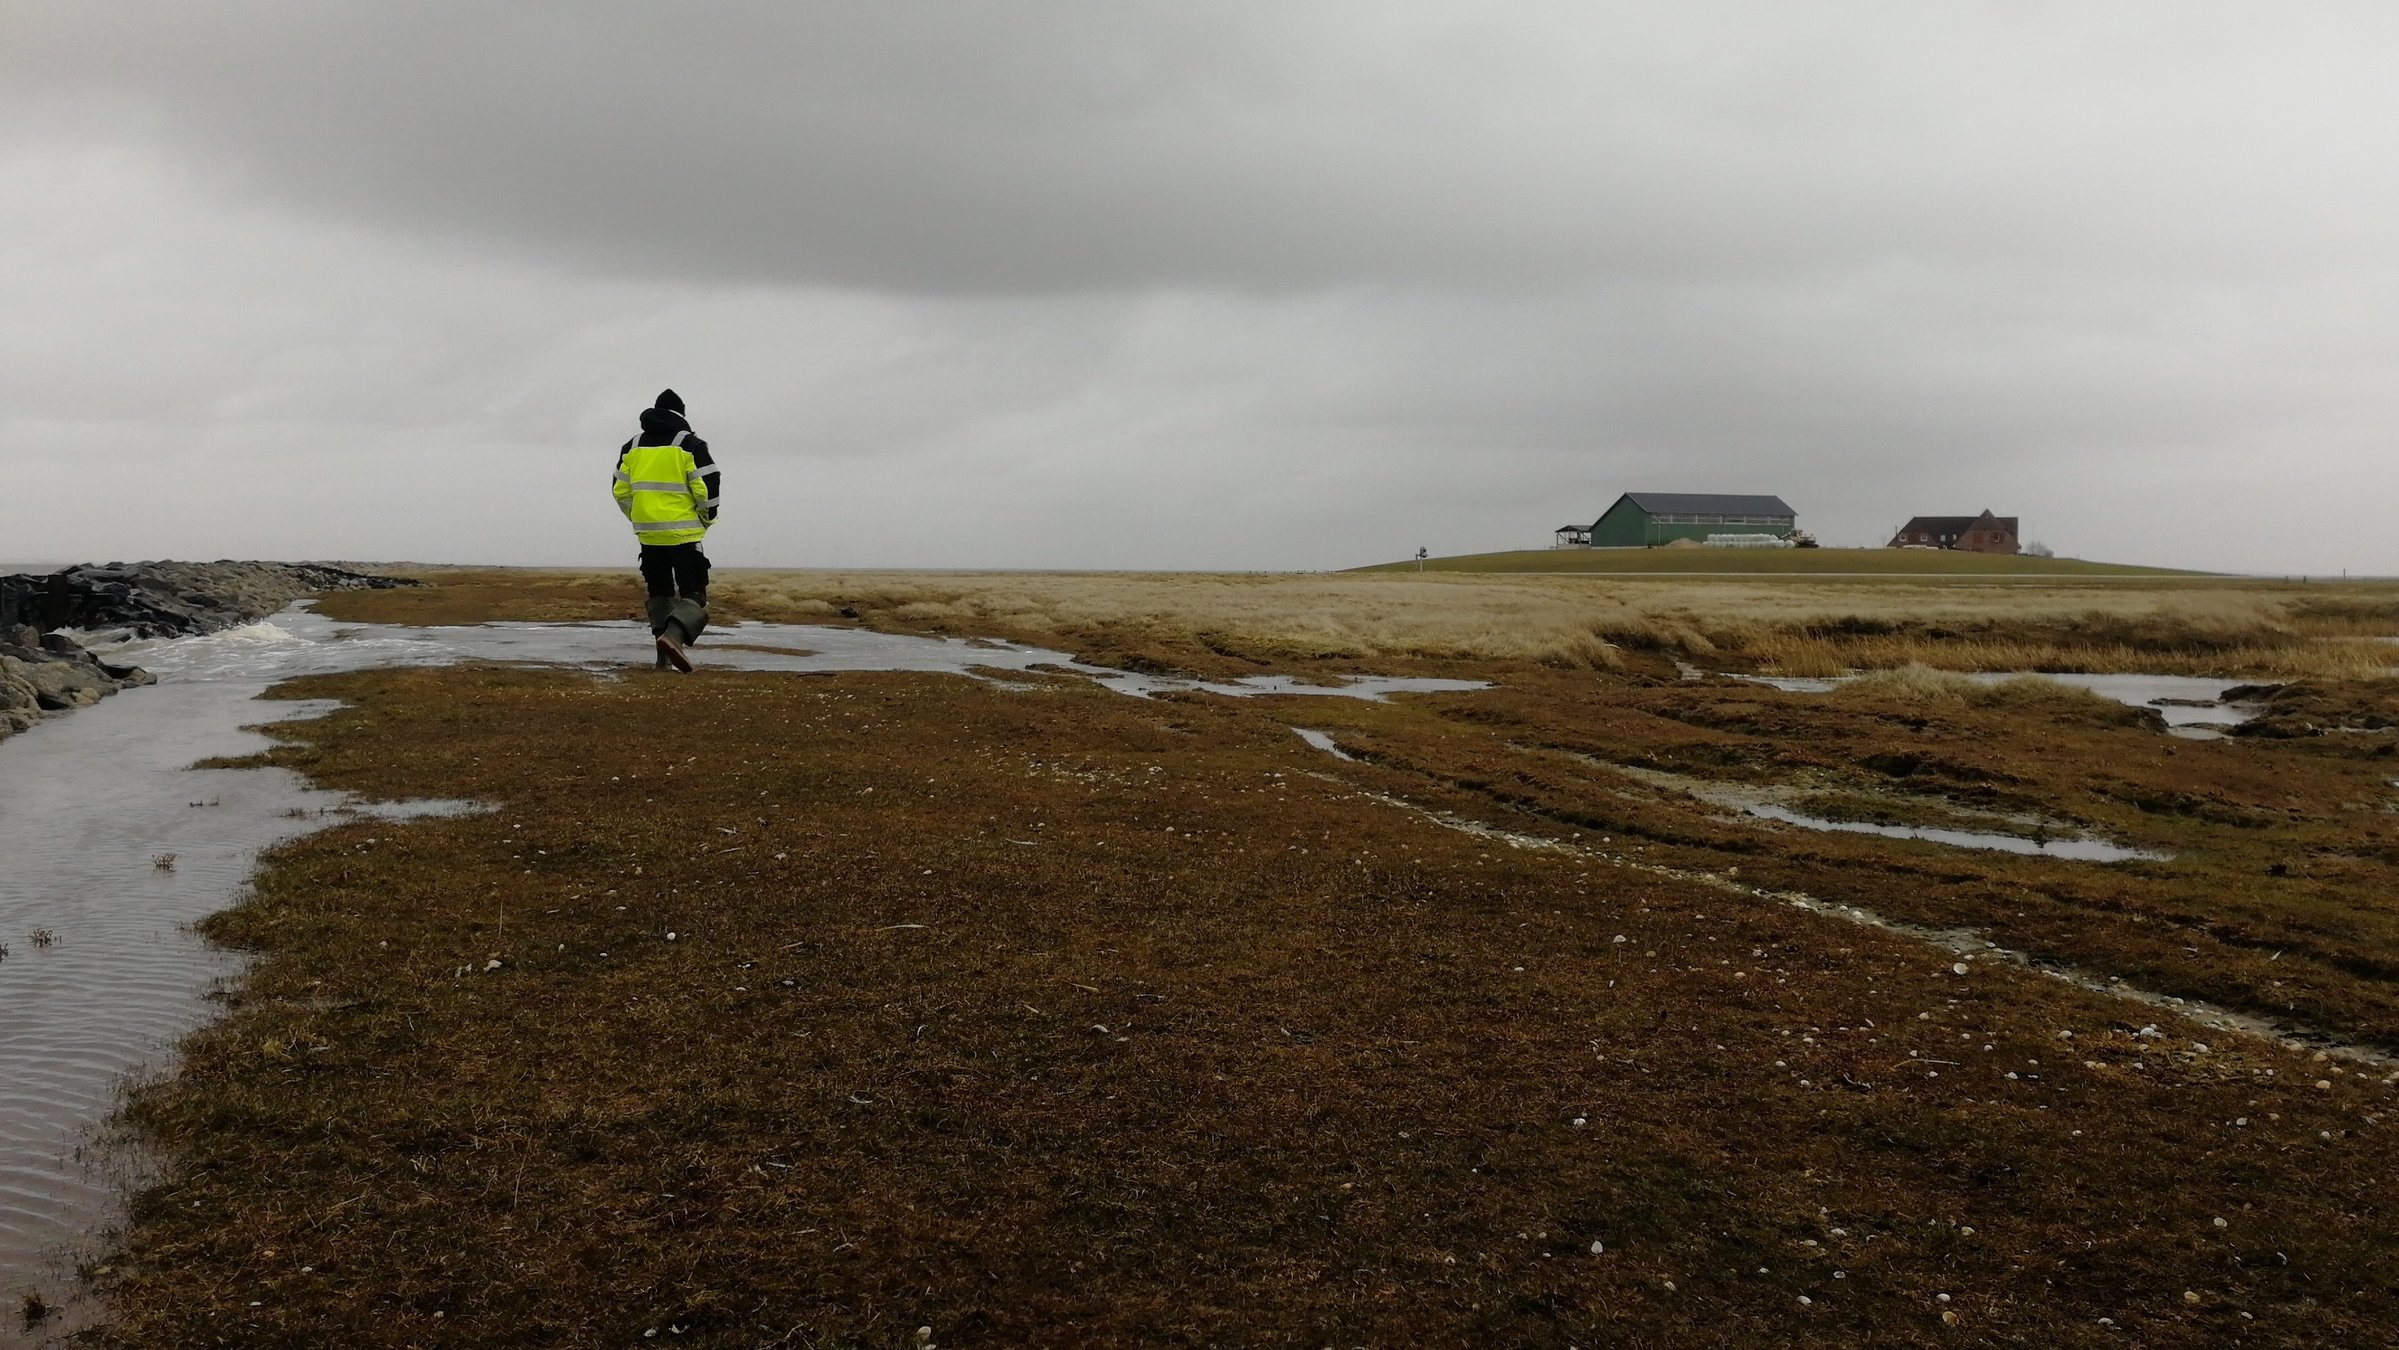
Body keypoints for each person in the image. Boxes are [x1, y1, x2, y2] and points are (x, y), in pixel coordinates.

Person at [612, 389, 721, 671]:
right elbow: (707, 485)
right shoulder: (689, 444)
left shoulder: (632, 446)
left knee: (659, 591)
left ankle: (663, 659)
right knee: (694, 593)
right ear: (681, 414)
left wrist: (639, 516)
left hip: (648, 534)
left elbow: (620, 490)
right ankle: (673, 638)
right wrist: (705, 518)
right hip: (684, 533)